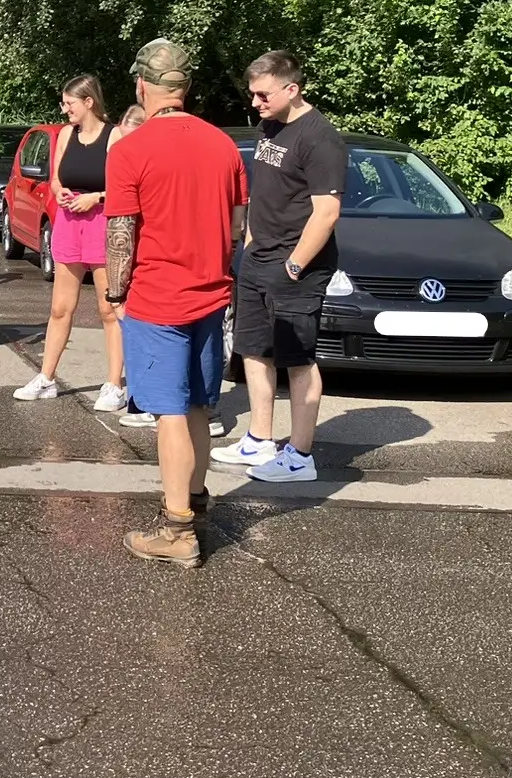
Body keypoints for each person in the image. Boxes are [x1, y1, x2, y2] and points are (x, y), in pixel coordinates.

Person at [103, 39, 248, 568]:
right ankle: (197, 501)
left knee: (166, 410)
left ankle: (177, 528)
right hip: (212, 295)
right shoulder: (223, 146)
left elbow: (121, 231)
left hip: (157, 297)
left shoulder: (131, 150)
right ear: (186, 88)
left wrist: (116, 295)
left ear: (142, 85)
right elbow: (237, 227)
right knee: (198, 407)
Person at [213, 49, 345, 483]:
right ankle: (259, 439)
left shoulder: (320, 137)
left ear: (293, 89)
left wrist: (293, 266)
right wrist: (249, 248)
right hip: (257, 259)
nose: (255, 103)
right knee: (253, 349)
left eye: (263, 95)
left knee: (298, 360)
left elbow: (326, 212)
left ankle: (300, 456)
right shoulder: (271, 126)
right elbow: (264, 195)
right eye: (252, 95)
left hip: (295, 268)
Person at [13, 77, 132, 410]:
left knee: (109, 309)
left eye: (70, 103)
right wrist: (59, 191)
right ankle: (46, 378)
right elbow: (55, 180)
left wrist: (96, 197)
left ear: (89, 102)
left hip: (103, 223)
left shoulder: (115, 136)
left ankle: (114, 385)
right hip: (68, 222)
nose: (65, 110)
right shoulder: (66, 134)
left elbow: (127, 187)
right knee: (60, 308)